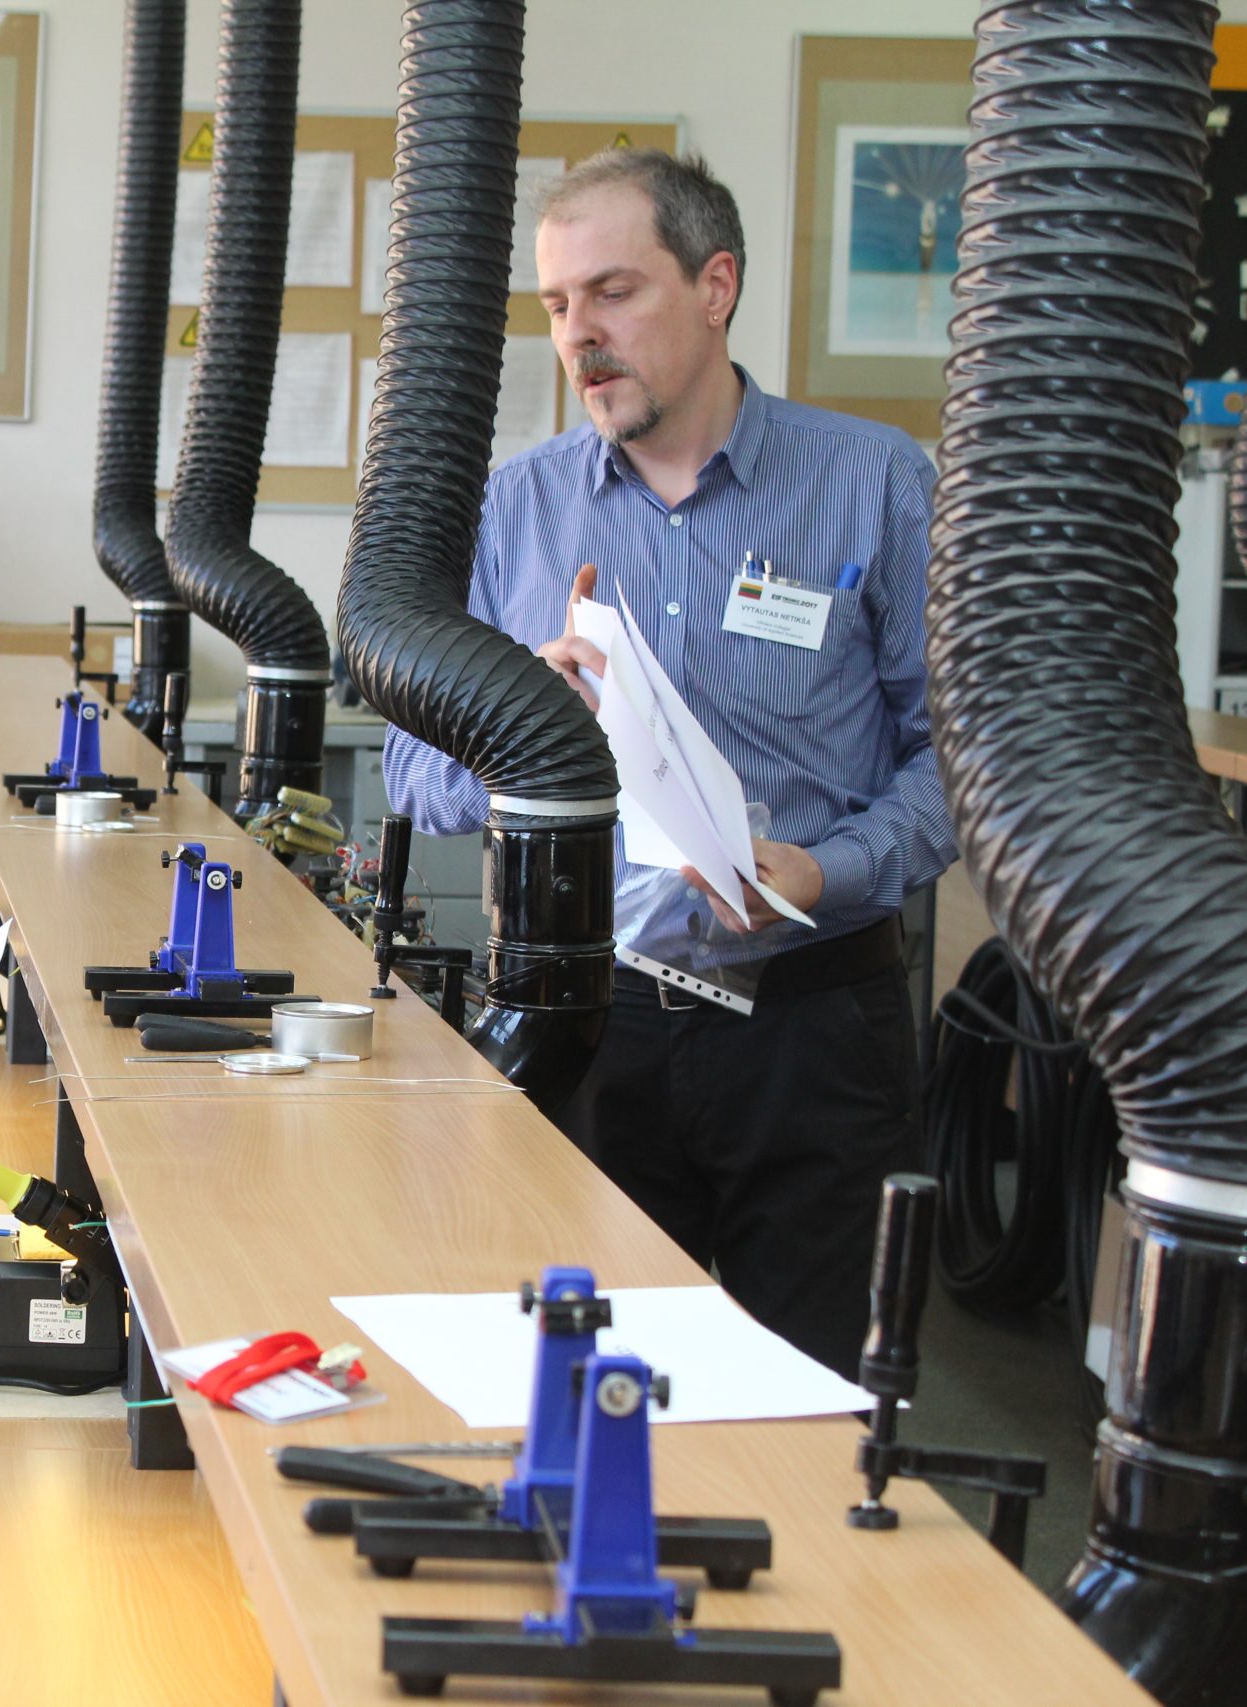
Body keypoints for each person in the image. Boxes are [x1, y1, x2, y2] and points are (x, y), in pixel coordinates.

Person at [381, 150, 954, 1374]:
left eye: (613, 291)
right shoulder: (512, 511)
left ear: (715, 286)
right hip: (592, 1028)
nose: (577, 336)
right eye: (556, 305)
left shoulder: (878, 486)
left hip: (814, 1030)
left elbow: (955, 764)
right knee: (593, 1396)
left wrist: (829, 869)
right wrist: (515, 726)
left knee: (812, 1407)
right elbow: (408, 772)